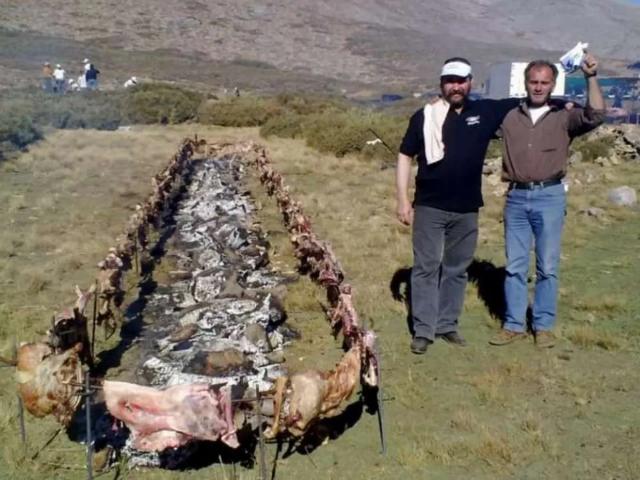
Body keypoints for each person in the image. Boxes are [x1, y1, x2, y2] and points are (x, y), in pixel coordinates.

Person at [396, 57, 520, 354]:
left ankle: (447, 325)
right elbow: (404, 155)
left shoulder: (485, 111)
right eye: (450, 81)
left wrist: (566, 102)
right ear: (442, 84)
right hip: (429, 206)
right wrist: (402, 199)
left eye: (461, 81)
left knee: (457, 269)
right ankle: (423, 330)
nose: (456, 86)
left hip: (467, 208)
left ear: (470, 82)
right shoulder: (425, 116)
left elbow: (531, 100)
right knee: (426, 268)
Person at [489, 54, 605, 348]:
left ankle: (543, 326)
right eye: (534, 82)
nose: (539, 87)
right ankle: (514, 325)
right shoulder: (509, 116)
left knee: (547, 267)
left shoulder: (564, 115)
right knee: (515, 266)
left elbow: (596, 115)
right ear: (525, 83)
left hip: (550, 196)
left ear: (553, 84)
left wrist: (591, 76)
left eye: (544, 82)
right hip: (516, 197)